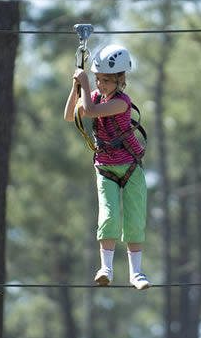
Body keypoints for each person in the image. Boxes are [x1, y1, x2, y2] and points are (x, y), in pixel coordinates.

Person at [63, 44, 150, 290]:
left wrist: (86, 84)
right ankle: (106, 269)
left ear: (121, 80)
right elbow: (71, 116)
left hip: (130, 166)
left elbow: (89, 112)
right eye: (98, 79)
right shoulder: (96, 96)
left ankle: (136, 273)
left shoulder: (122, 102)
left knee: (134, 220)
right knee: (108, 217)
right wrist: (76, 87)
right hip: (106, 167)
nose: (100, 85)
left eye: (105, 81)